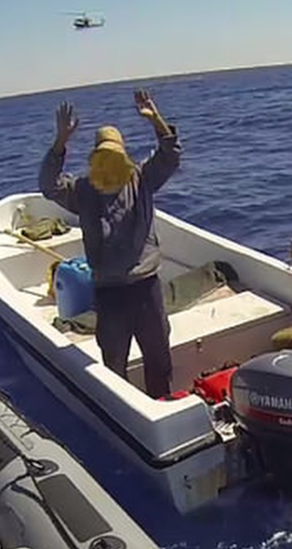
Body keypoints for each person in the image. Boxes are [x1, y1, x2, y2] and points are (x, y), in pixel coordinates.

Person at [38, 89, 182, 398]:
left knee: (159, 358)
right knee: (113, 365)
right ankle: (125, 415)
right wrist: (60, 142)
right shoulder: (83, 191)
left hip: (146, 287)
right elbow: (49, 186)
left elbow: (170, 155)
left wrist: (155, 118)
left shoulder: (142, 180)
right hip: (109, 292)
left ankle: (162, 405)